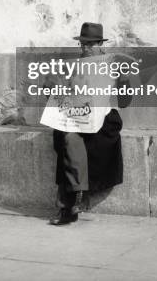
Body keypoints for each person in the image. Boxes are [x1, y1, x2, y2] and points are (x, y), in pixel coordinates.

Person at [49, 22, 126, 226]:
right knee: (66, 136)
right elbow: (67, 93)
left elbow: (126, 100)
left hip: (105, 117)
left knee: (76, 139)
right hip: (79, 115)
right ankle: (72, 201)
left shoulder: (112, 64)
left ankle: (71, 202)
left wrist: (122, 80)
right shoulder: (76, 65)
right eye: (83, 44)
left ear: (101, 44)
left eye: (90, 45)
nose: (85, 48)